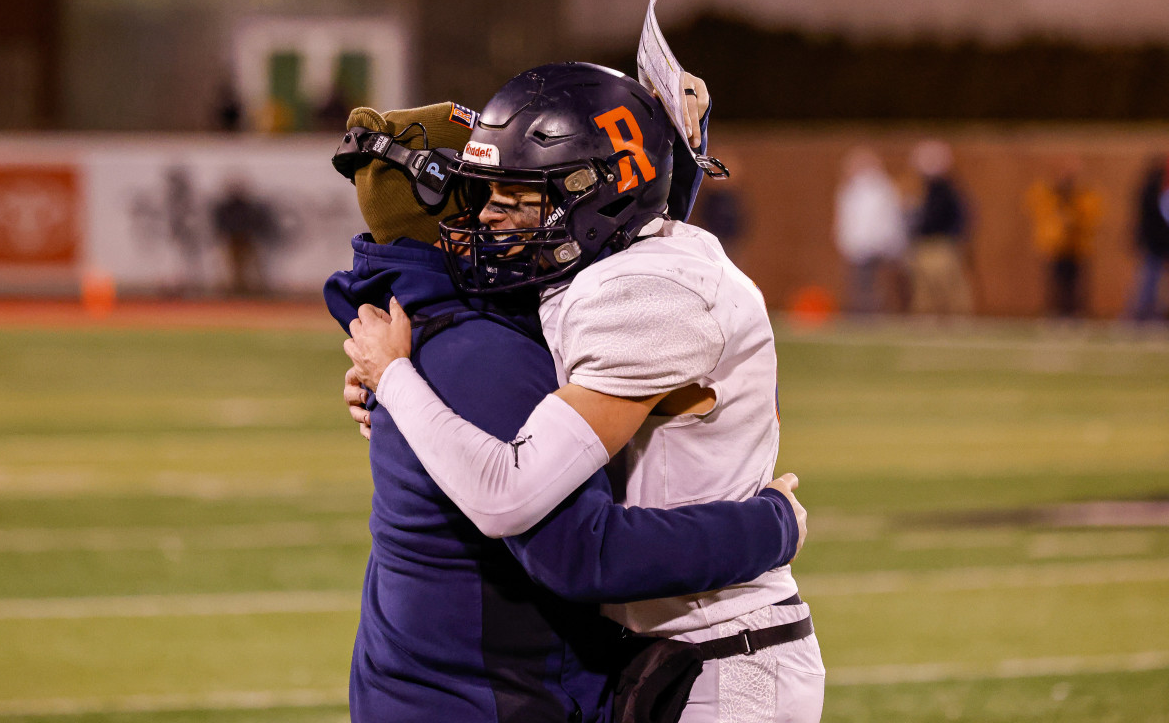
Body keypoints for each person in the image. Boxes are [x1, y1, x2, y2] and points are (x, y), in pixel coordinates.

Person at [345, 63, 824, 723]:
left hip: (725, 651)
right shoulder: (576, 286)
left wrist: (395, 379)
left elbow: (539, 520)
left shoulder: (641, 296)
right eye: (487, 194)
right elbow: (610, 233)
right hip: (675, 653)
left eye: (516, 197)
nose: (488, 218)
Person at [833, 147, 908, 314]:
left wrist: (888, 244)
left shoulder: (878, 189)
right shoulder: (850, 190)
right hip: (859, 245)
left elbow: (884, 219)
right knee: (860, 284)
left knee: (874, 284)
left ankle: (875, 314)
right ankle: (864, 314)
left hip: (874, 244)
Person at [1025, 157, 1103, 318]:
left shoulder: (1083, 194)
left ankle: (1076, 314)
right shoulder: (1049, 193)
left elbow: (1091, 214)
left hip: (1077, 246)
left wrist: (1073, 219)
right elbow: (1040, 210)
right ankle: (1055, 313)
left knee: (1076, 283)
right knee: (1056, 282)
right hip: (1056, 246)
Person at [907, 139, 973, 316]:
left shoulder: (947, 189)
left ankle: (957, 317)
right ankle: (927, 318)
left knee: (948, 285)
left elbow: (961, 216)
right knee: (924, 288)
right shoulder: (923, 188)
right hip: (925, 243)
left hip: (941, 243)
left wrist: (954, 237)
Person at [1128, 154, 1169, 321]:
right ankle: (1139, 314)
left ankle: (1149, 312)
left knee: (1150, 278)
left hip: (1160, 241)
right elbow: (1150, 217)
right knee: (1149, 279)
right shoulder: (1153, 189)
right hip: (1154, 242)